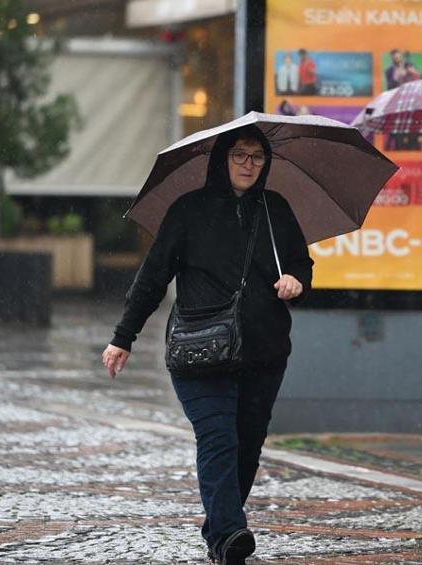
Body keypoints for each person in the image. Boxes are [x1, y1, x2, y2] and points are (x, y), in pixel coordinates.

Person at [101, 125, 313, 564]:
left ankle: (220, 525)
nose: (248, 165)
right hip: (200, 351)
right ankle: (230, 534)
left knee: (247, 446)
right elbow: (152, 279)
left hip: (263, 351)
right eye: (240, 154)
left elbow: (301, 264)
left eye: (257, 157)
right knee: (217, 437)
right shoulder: (188, 210)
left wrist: (297, 281)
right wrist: (123, 338)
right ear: (222, 158)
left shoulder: (276, 210)